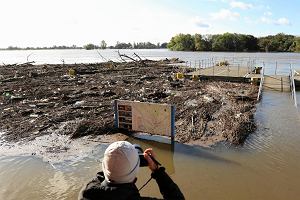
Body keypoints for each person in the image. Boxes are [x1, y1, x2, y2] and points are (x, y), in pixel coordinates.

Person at [78, 141, 184, 200]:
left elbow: (103, 174)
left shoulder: (86, 193)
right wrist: (157, 171)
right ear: (134, 177)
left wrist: (114, 161)